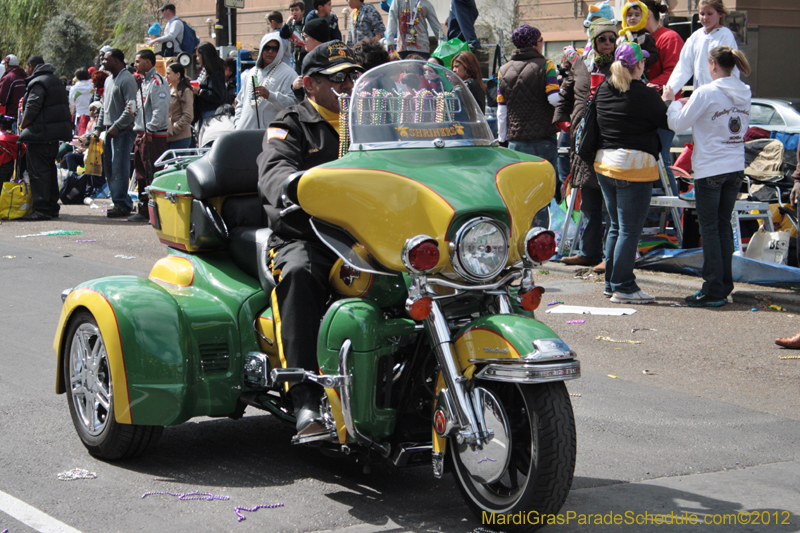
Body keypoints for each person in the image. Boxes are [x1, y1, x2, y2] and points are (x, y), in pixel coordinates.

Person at [257, 40, 363, 438]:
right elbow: (274, 167)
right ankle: (303, 398)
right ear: (309, 83)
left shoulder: (368, 122)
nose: (348, 85)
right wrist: (289, 182)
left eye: (353, 76)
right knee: (299, 272)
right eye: (338, 79)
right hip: (308, 234)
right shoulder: (290, 122)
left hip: (368, 234)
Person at [663, 46, 750, 307]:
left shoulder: (707, 91)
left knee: (710, 229)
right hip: (735, 165)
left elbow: (677, 124)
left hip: (711, 166)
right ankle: (723, 284)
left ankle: (713, 288)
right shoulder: (744, 91)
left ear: (712, 65)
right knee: (722, 226)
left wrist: (670, 102)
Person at [593, 42, 668, 303]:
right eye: (643, 61)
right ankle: (624, 286)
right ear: (639, 64)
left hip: (604, 164)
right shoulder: (644, 94)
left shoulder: (603, 88)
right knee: (629, 230)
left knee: (615, 226)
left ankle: (611, 283)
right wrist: (665, 99)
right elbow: (666, 119)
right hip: (633, 167)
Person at [497, 25, 561, 172]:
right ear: (533, 44)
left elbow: (501, 111)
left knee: (521, 188)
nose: (542, 43)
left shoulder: (503, 71)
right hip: (544, 138)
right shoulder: (546, 65)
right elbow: (554, 99)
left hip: (515, 141)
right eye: (541, 40)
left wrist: (502, 140)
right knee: (546, 188)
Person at [18, 55, 72, 221]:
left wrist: (23, 125)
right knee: (49, 170)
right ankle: (51, 206)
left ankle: (41, 208)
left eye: (27, 67)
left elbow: (33, 106)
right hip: (53, 135)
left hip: (39, 135)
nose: (27, 70)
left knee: (38, 172)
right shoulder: (55, 80)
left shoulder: (38, 82)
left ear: (32, 66)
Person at [641, 0, 684, 196]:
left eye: (635, 13)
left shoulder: (669, 37)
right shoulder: (635, 37)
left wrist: (643, 87)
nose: (629, 19)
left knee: (660, 159)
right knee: (644, 162)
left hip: (663, 108)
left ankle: (674, 215)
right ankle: (651, 221)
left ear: (647, 13)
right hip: (641, 109)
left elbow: (675, 74)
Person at [95, 48, 138, 218]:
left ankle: (122, 204)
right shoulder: (108, 80)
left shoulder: (127, 80)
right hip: (109, 130)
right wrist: (98, 129)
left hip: (122, 131)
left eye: (106, 59)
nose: (103, 62)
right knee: (110, 169)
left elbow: (131, 109)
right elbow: (104, 107)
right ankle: (118, 200)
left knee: (119, 168)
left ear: (117, 61)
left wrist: (117, 127)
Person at [129, 49, 169, 222]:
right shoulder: (142, 82)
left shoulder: (157, 82)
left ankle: (156, 211)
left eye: (138, 61)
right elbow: (144, 108)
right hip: (140, 133)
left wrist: (150, 129)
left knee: (151, 173)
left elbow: (160, 111)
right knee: (140, 173)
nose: (135, 65)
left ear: (148, 62)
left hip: (152, 136)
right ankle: (144, 209)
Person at [667, 0, 737, 95]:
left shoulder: (725, 35)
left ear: (720, 13)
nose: (705, 18)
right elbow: (684, 66)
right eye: (702, 13)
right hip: (700, 94)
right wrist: (670, 90)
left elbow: (728, 68)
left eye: (709, 14)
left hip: (720, 94)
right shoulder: (696, 37)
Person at [235, 32, 297, 131]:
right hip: (244, 133)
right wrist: (238, 123)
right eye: (267, 48)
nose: (271, 51)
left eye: (275, 49)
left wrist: (269, 95)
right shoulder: (251, 72)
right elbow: (240, 102)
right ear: (261, 48)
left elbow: (294, 105)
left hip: (270, 136)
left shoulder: (288, 74)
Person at [619, 1, 659, 73]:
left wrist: (642, 58)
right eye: (629, 15)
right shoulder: (623, 36)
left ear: (643, 17)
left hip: (641, 73)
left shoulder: (646, 36)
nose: (633, 18)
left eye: (637, 15)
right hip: (625, 73)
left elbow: (655, 55)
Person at [193, 42, 226, 126]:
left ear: (205, 56)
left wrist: (200, 91)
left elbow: (217, 95)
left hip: (211, 112)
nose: (197, 59)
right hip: (203, 111)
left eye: (198, 56)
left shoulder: (215, 73)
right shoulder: (206, 70)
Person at [165, 63, 194, 150]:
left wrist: (174, 129)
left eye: (168, 73)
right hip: (167, 136)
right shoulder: (167, 89)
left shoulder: (186, 91)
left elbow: (188, 115)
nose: (166, 76)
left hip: (180, 137)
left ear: (177, 75)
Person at [0, 55, 27, 132]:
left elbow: (2, 99)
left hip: (12, 118)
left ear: (6, 65)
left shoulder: (9, 78)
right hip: (26, 117)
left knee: (13, 142)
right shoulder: (26, 76)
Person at [69, 68, 94, 137]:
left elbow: (72, 103)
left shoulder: (73, 88)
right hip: (92, 117)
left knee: (79, 141)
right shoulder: (93, 86)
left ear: (77, 77)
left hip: (79, 116)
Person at [0, 115, 24, 182]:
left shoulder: (2, 140)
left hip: (2, 165)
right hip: (11, 165)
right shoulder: (17, 139)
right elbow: (23, 150)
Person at [287, 1, 306, 74]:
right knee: (295, 76)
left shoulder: (306, 22)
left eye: (296, 10)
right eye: (292, 10)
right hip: (295, 56)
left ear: (302, 11)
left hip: (305, 55)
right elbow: (283, 34)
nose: (294, 12)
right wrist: (287, 23)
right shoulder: (291, 24)